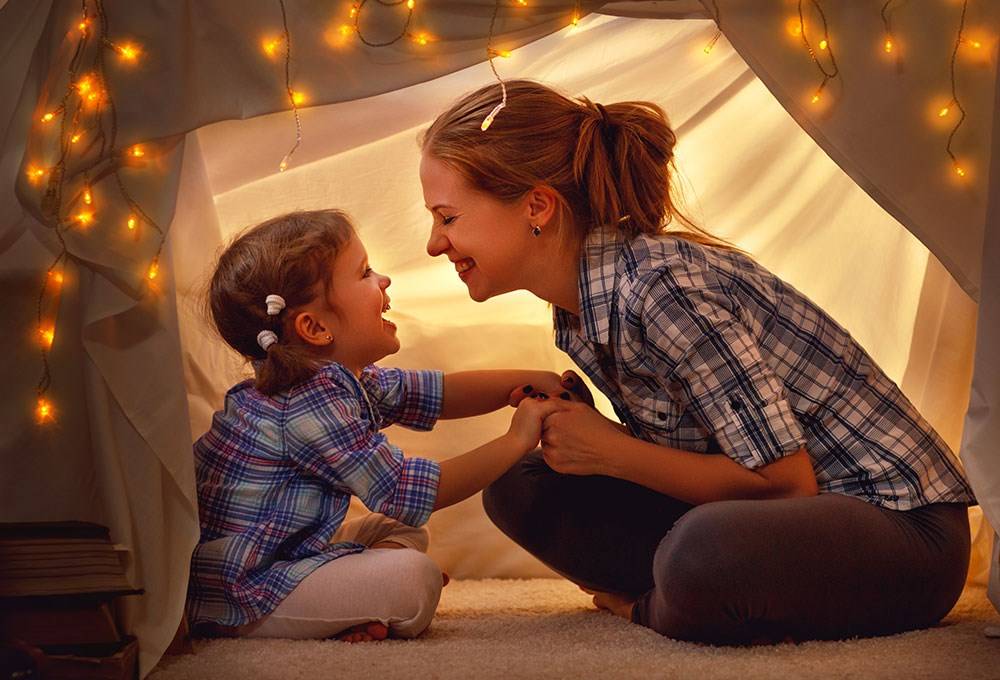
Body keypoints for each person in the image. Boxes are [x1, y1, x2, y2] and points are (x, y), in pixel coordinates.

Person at [418, 79, 977, 644]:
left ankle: (657, 607)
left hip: (901, 534)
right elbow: (702, 451)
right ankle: (694, 594)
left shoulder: (663, 291)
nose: (434, 245)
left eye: (448, 217)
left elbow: (785, 485)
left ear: (536, 206)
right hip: (775, 523)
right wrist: (591, 438)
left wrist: (611, 451)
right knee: (518, 484)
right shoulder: (579, 310)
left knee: (702, 554)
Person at [187, 209, 575, 642]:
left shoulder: (339, 380)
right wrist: (518, 440)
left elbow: (439, 393)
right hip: (245, 588)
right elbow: (405, 491)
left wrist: (524, 381)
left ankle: (353, 603)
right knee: (414, 580)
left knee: (399, 531)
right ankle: (356, 601)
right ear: (315, 327)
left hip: (287, 552)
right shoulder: (303, 404)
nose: (384, 280)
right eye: (365, 272)